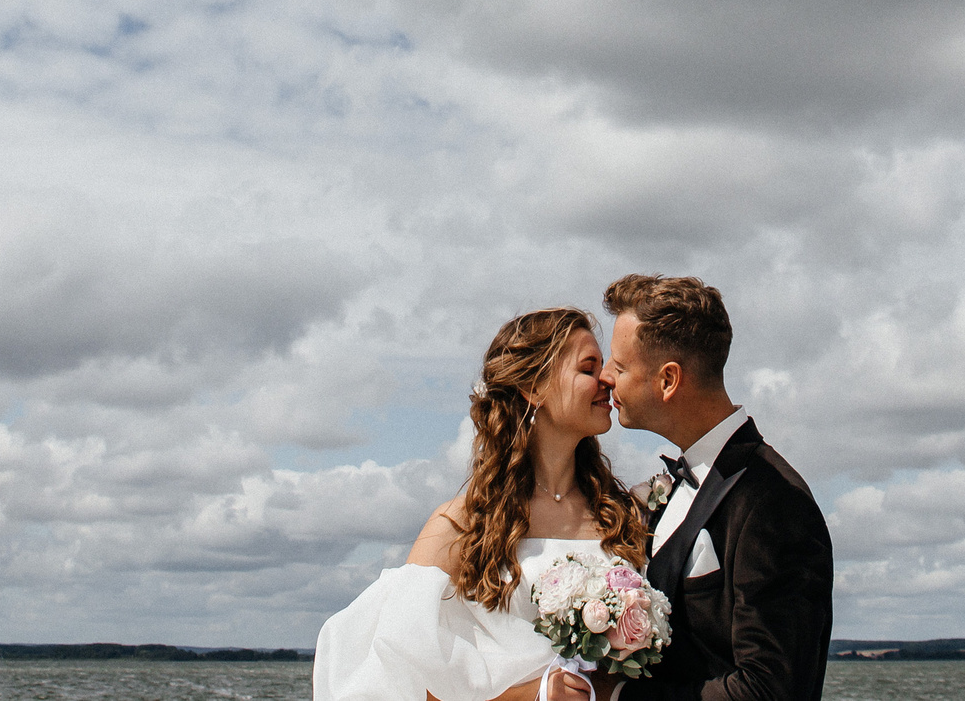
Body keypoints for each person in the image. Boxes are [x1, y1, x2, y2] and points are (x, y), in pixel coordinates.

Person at [314, 308, 654, 701]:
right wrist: (534, 695)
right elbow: (399, 679)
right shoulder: (460, 524)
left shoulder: (625, 516)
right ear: (534, 388)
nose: (607, 380)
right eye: (588, 368)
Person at [598, 275, 830, 701]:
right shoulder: (665, 491)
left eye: (620, 365)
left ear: (668, 380)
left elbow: (769, 689)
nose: (606, 376)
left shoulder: (774, 503)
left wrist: (620, 698)